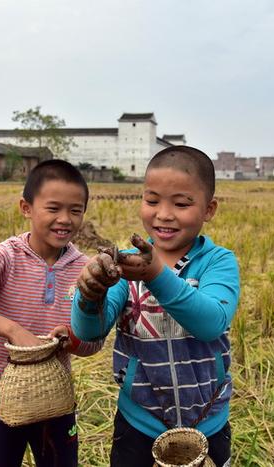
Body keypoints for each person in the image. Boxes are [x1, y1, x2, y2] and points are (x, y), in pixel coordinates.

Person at [71, 146, 240, 467]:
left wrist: (156, 275)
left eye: (181, 203)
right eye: (152, 201)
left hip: (208, 421)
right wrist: (89, 297)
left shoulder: (218, 263)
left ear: (209, 209)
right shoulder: (126, 265)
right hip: (139, 422)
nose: (163, 214)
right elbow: (89, 332)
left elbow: (211, 322)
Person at [0, 159, 101, 467]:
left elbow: (93, 343)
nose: (65, 219)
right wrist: (11, 330)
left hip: (56, 400)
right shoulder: (4, 257)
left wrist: (71, 337)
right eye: (53, 208)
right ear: (26, 207)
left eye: (75, 210)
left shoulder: (85, 270)